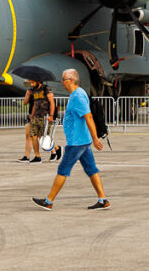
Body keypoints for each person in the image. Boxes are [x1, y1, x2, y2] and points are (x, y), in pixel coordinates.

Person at [32, 69, 108, 210]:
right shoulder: (77, 94)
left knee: (63, 169)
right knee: (91, 169)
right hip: (82, 141)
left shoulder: (78, 96)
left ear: (71, 80)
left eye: (64, 79)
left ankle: (49, 201)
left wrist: (95, 138)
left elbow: (88, 117)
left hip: (77, 142)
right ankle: (103, 199)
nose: (62, 82)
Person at [25, 78, 56, 163]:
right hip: (36, 116)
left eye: (32, 82)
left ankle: (56, 149)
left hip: (45, 116)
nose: (31, 84)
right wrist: (32, 115)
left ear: (38, 80)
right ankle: (37, 157)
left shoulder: (46, 88)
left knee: (44, 136)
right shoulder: (34, 90)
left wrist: (51, 115)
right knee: (34, 135)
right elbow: (35, 103)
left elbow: (52, 102)